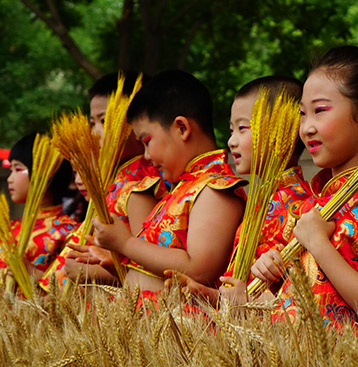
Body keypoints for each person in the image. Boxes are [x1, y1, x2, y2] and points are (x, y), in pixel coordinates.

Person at [249, 46, 358, 325]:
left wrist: (317, 244)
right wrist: (275, 279)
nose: (306, 127)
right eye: (303, 113)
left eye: (320, 111)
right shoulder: (308, 206)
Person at [90, 70, 247, 294]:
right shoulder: (182, 189)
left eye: (147, 141)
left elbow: (199, 269)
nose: (145, 155)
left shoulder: (216, 188)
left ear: (182, 128)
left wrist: (125, 244)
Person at [165, 75, 312, 305]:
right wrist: (204, 293)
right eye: (231, 130)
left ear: (280, 129)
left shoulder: (300, 208)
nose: (232, 141)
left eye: (243, 128)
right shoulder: (262, 200)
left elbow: (291, 301)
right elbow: (239, 296)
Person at [40, 71, 168, 291]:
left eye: (104, 120)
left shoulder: (142, 185)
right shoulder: (116, 181)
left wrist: (93, 272)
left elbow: (146, 270)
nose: (95, 132)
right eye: (93, 122)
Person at [1, 133, 76, 280]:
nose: (10, 179)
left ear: (43, 172)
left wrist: (33, 273)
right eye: (10, 171)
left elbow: (68, 290)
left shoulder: (68, 233)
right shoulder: (10, 228)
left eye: (17, 169)